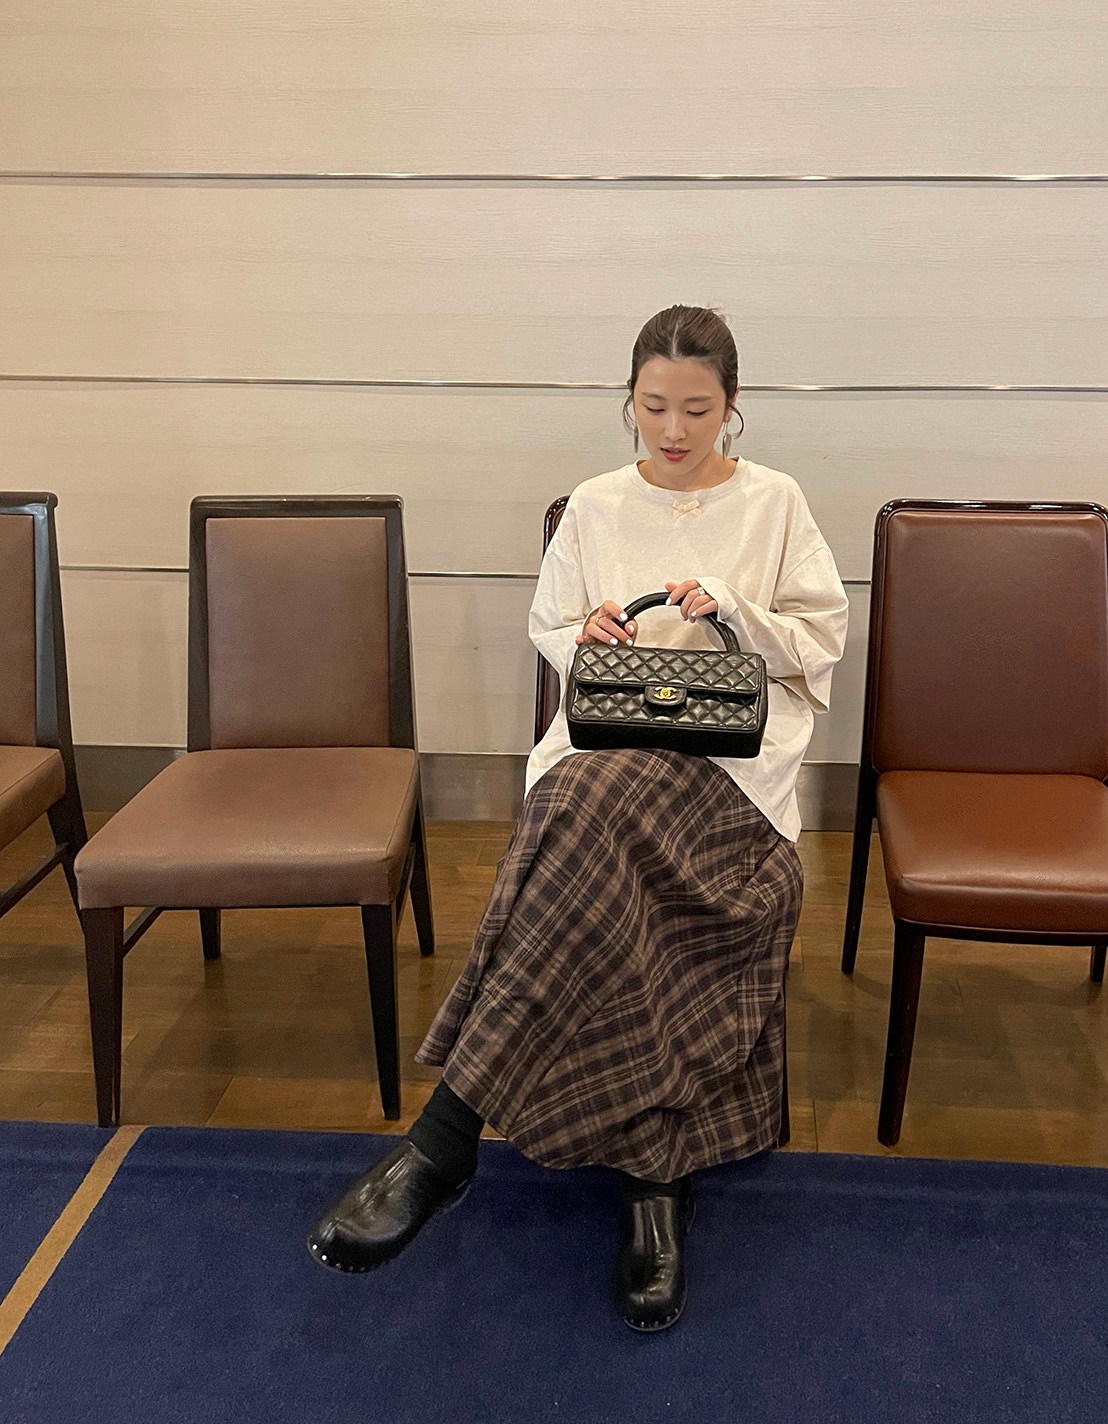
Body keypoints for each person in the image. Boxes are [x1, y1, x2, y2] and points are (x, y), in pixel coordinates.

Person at [308, 305, 849, 1331]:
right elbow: (550, 626)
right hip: (606, 746)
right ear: (628, 400)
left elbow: (818, 644)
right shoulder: (596, 506)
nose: (673, 430)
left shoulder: (776, 502)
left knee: (578, 816)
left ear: (734, 407)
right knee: (583, 805)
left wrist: (733, 607)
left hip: (729, 773)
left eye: (697, 409)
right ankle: (655, 1180)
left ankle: (445, 1135)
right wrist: (587, 631)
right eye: (654, 406)